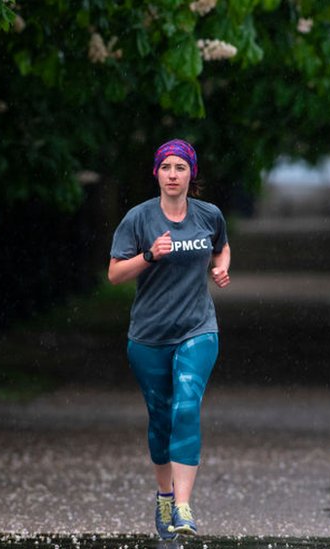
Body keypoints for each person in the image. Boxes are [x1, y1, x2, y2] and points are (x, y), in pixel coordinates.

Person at [107, 138, 231, 539]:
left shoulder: (208, 215)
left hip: (198, 328)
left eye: (181, 167)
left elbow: (222, 247)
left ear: (191, 173)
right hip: (148, 335)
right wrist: (149, 256)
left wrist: (220, 270)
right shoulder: (138, 219)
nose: (173, 175)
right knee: (161, 419)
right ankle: (164, 495)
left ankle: (182, 506)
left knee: (187, 405)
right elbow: (114, 274)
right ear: (156, 173)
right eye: (166, 167)